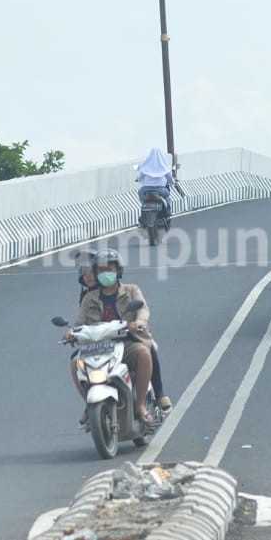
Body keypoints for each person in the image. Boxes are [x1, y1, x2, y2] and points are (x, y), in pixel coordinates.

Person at [64, 248, 163, 428]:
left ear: (118, 270)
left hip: (126, 343)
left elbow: (143, 309)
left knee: (143, 353)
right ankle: (89, 404)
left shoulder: (131, 290)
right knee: (75, 363)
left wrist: (138, 321)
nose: (105, 273)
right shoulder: (89, 298)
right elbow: (79, 322)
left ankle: (140, 406)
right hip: (99, 347)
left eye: (110, 269)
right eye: (101, 270)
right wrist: (71, 332)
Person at [136, 148, 178, 217]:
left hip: (146, 189)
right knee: (167, 197)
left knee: (141, 195)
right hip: (161, 190)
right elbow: (169, 177)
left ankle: (143, 211)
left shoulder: (146, 165)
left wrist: (138, 179)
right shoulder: (163, 165)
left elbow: (140, 176)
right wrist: (173, 182)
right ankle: (168, 212)